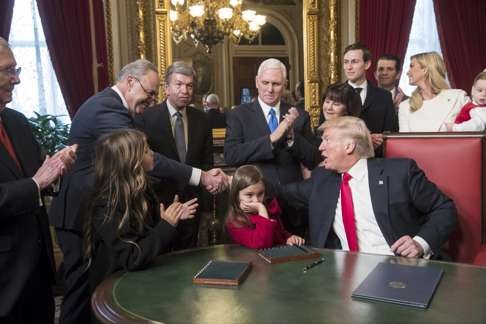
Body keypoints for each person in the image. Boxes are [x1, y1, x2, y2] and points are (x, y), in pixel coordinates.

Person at [49, 59, 227, 324]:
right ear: (131, 82)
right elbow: (147, 160)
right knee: (81, 294)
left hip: (97, 212)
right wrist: (200, 177)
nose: (153, 100)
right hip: (82, 213)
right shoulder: (107, 110)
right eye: (151, 92)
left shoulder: (115, 107)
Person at [277, 116, 457, 258]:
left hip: (399, 265)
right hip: (341, 272)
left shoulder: (399, 173)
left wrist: (420, 243)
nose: (321, 148)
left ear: (349, 146)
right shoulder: (323, 180)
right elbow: (282, 193)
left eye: (327, 140)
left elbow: (444, 208)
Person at [0, 37, 77, 323]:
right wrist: (36, 183)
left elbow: (39, 177)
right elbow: (33, 183)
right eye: (8, 70)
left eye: (16, 70)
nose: (16, 79)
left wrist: (57, 170)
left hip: (37, 271)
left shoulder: (17, 122)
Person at [82, 129, 198, 293]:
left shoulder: (142, 189)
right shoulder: (107, 205)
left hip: (141, 280)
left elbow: (147, 234)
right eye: (146, 151)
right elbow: (132, 258)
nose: (152, 154)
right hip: (115, 288)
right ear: (131, 161)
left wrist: (173, 217)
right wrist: (166, 224)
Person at [224, 58, 316, 237]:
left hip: (293, 205)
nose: (270, 89)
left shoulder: (300, 115)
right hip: (255, 205)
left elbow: (312, 158)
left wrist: (291, 138)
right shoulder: (239, 115)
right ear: (257, 81)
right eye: (265, 83)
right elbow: (231, 155)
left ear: (285, 85)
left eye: (276, 84)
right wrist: (271, 139)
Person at [135, 61, 213, 249]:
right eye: (179, 84)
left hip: (192, 203)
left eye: (189, 85)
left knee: (189, 259)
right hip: (158, 206)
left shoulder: (202, 119)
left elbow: (206, 164)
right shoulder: (146, 118)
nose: (185, 90)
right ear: (167, 88)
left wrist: (207, 208)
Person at [225, 165, 305, 249]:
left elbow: (279, 234)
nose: (256, 200)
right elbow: (262, 244)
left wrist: (289, 238)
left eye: (260, 194)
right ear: (236, 195)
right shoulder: (234, 222)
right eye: (249, 195)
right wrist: (261, 210)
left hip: (276, 258)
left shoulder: (270, 208)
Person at [342, 42, 398, 150]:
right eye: (346, 62)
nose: (349, 67)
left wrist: (378, 141)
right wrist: (365, 140)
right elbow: (324, 133)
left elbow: (391, 134)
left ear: (367, 64)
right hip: (341, 160)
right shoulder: (333, 94)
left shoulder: (384, 97)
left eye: (354, 62)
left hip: (375, 160)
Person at [399, 52, 468, 132]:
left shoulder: (458, 97)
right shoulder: (405, 106)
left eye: (411, 66)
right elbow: (404, 140)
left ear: (425, 69)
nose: (407, 72)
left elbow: (475, 126)